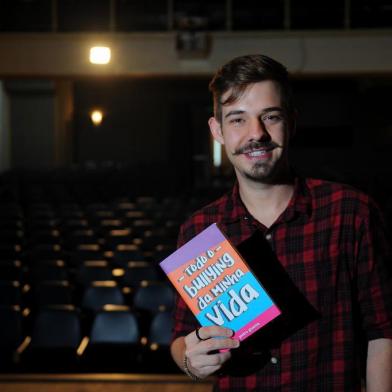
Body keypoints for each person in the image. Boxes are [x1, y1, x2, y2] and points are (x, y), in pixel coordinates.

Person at [169, 54, 392, 391]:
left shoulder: (351, 212)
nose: (256, 134)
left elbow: (383, 332)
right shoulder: (200, 230)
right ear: (217, 130)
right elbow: (181, 339)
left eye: (270, 116)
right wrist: (190, 359)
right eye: (237, 120)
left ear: (292, 122)